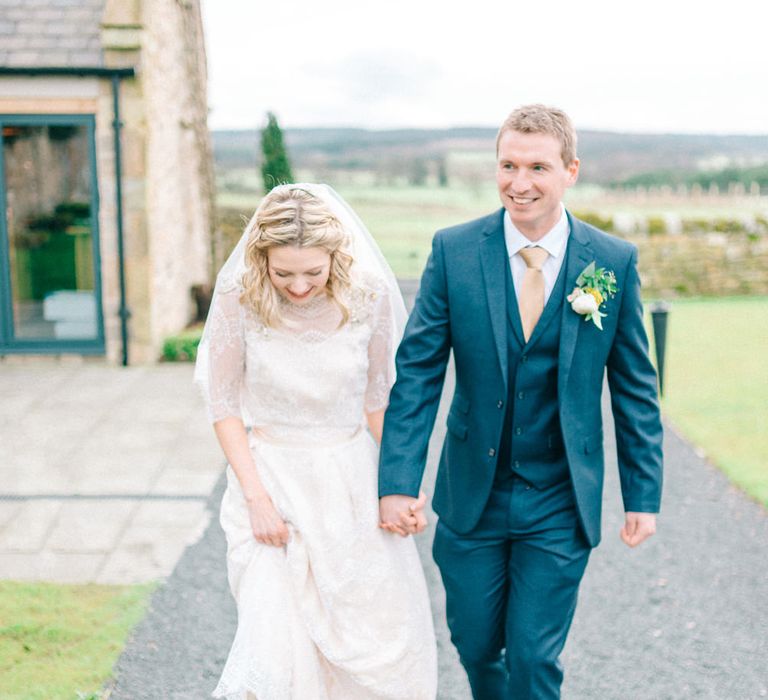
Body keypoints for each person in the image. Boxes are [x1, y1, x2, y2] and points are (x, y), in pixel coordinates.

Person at [378, 104, 664, 699]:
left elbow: (635, 388)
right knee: (478, 648)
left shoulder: (610, 262)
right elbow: (418, 373)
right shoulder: (455, 251)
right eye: (508, 165)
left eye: (537, 166)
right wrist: (398, 481)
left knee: (534, 658)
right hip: (472, 497)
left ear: (570, 171)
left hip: (559, 499)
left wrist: (643, 495)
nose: (519, 182)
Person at [195, 184, 437, 700]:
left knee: (374, 634)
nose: (299, 286)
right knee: (275, 646)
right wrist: (258, 500)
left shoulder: (367, 295)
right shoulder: (239, 294)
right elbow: (223, 406)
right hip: (271, 484)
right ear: (262, 259)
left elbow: (378, 403)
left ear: (337, 257)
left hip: (350, 481)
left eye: (314, 271)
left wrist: (404, 485)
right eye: (283, 273)